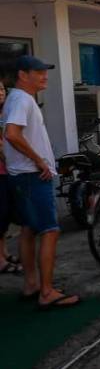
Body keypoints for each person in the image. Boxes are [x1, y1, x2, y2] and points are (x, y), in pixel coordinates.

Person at [2, 56, 79, 308]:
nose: (44, 75)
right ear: (23, 75)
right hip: (31, 176)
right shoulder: (21, 99)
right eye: (38, 71)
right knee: (50, 230)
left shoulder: (18, 98)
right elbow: (11, 134)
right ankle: (46, 291)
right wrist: (39, 161)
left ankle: (32, 284)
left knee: (28, 229)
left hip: (24, 175)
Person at [0, 80, 21, 275]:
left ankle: (4, 253)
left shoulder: (5, 112)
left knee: (5, 214)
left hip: (7, 171)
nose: (0, 93)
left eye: (1, 89)